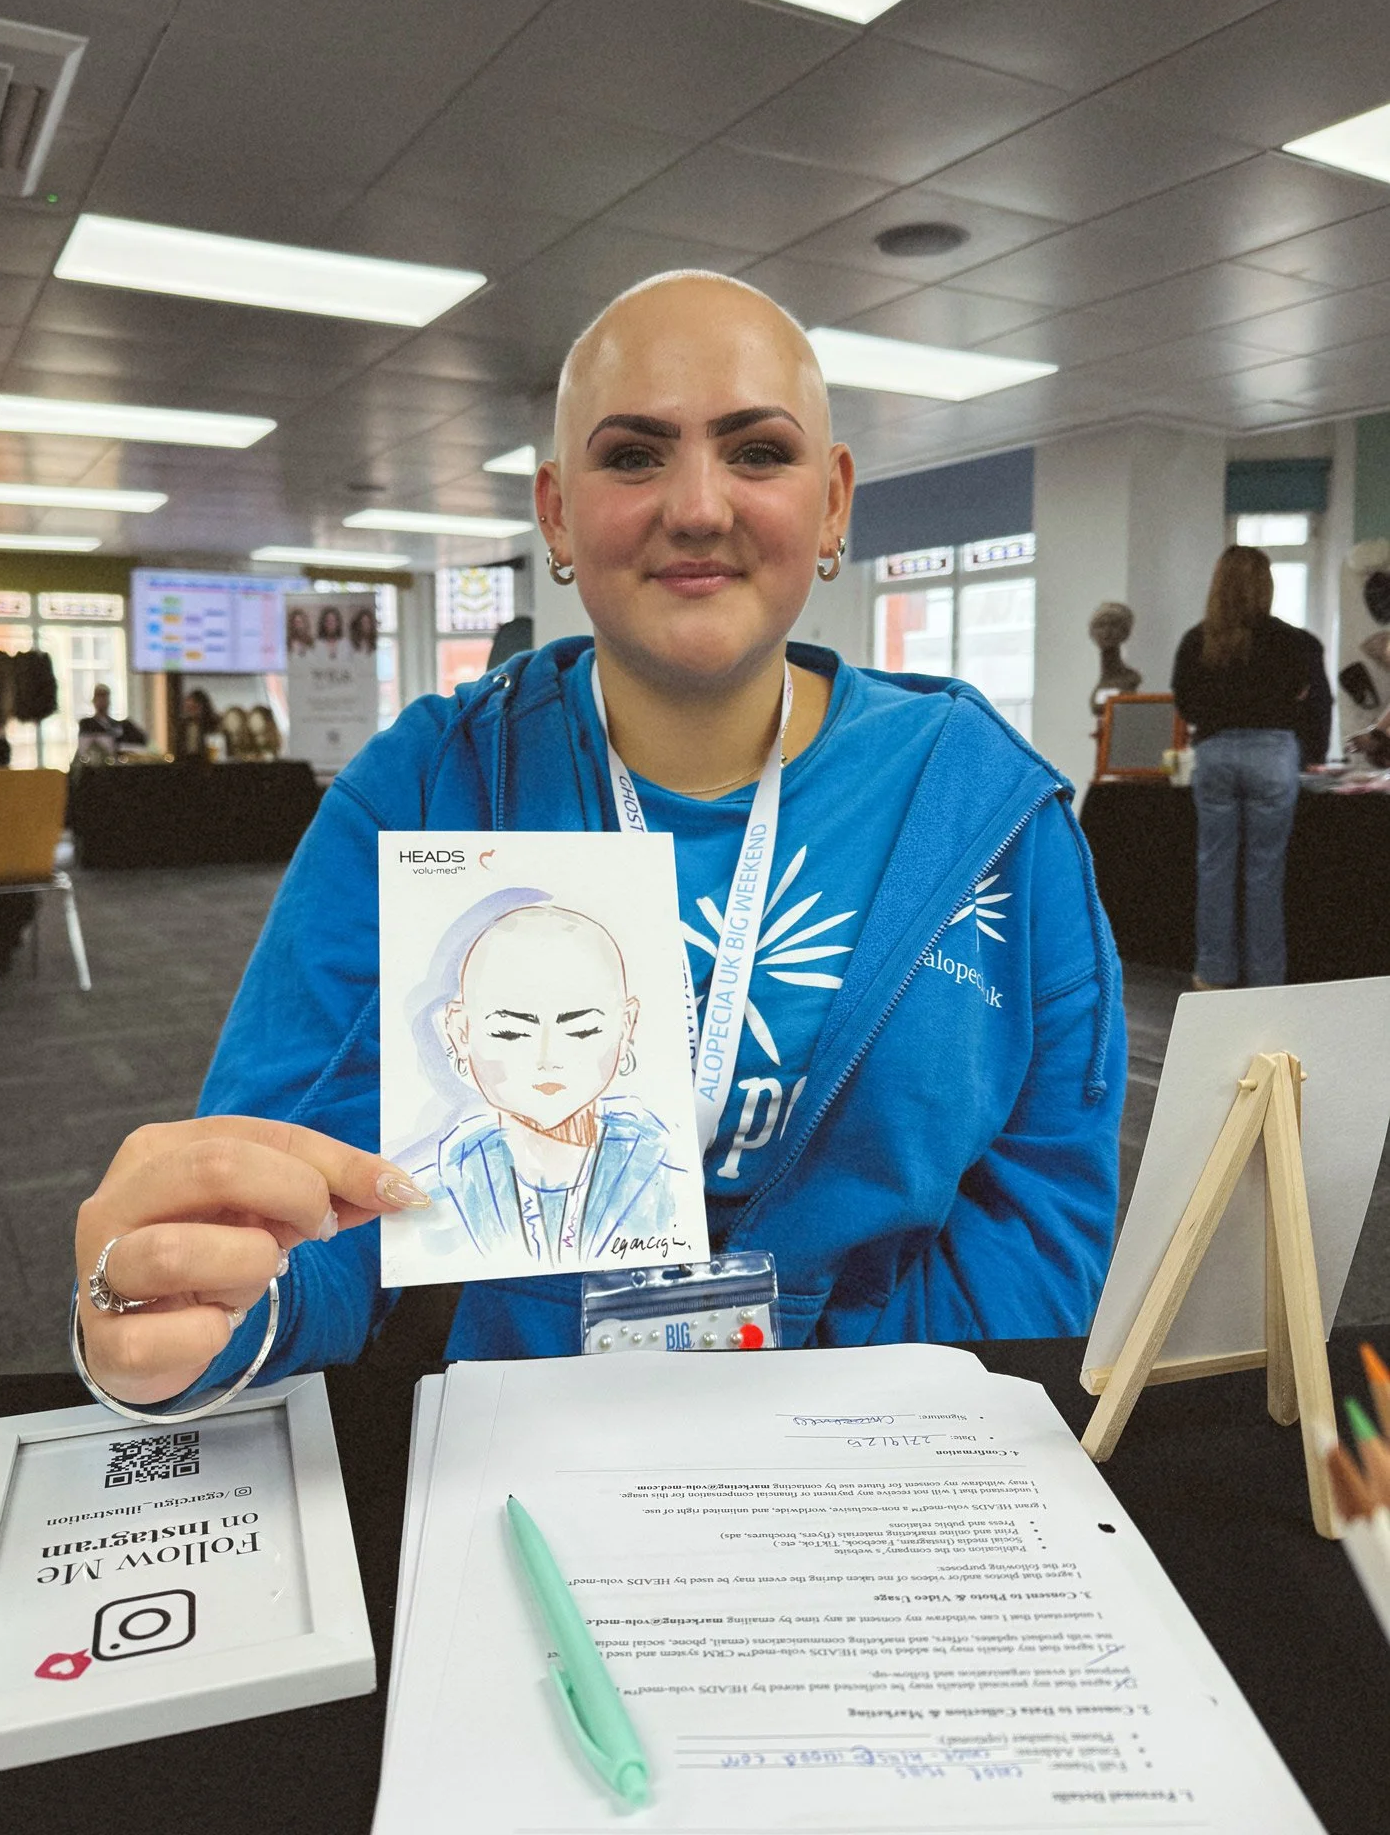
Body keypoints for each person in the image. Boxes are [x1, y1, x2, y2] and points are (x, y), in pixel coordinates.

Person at [73, 270, 1125, 1413]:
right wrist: (210, 1303)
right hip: (536, 1450)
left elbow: (1043, 1212)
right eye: (633, 455)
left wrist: (853, 1419)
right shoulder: (429, 788)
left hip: (894, 1449)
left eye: (757, 453)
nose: (699, 506)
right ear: (558, 512)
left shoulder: (984, 810)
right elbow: (308, 1191)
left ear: (832, 504)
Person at [427, 902, 682, 1266]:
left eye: (581, 1029)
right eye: (511, 1031)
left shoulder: (667, 1173)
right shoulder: (440, 1185)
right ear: (460, 1030)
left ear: (626, 1026)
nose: (546, 1057)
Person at [1172, 545, 1331, 990]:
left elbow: (1185, 704)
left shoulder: (1195, 641)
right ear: (1268, 586)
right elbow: (1318, 705)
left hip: (1216, 755)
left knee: (1214, 867)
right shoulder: (1297, 642)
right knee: (1265, 872)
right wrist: (1311, 754)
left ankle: (1213, 973)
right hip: (1273, 757)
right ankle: (1265, 977)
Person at [77, 683, 147, 752]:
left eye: (104, 697)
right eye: (99, 696)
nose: (102, 700)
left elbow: (142, 739)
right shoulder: (87, 724)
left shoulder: (120, 725)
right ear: (94, 700)